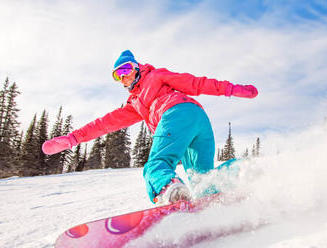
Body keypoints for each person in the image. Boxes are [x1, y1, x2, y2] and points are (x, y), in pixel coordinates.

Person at [42, 50, 258, 205]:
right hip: (199, 121)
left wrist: (230, 89)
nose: (124, 76)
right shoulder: (134, 105)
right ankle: (243, 171)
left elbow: (195, 83)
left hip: (177, 113)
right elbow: (104, 123)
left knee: (156, 166)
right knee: (202, 181)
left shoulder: (156, 76)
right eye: (118, 75)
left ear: (136, 67)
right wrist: (74, 138)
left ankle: (170, 192)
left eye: (126, 69)